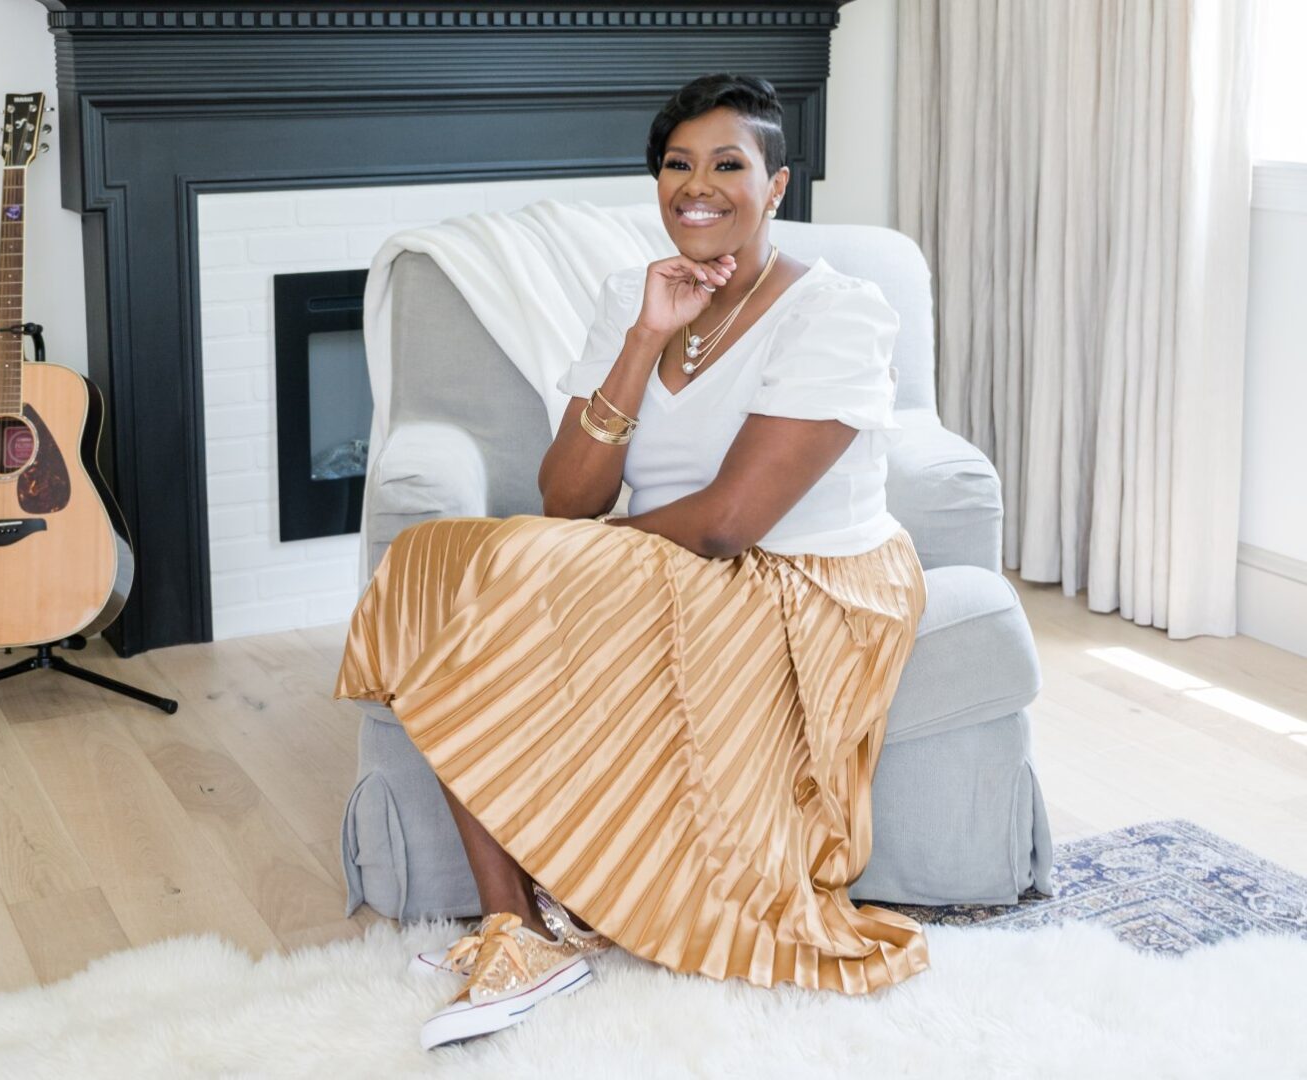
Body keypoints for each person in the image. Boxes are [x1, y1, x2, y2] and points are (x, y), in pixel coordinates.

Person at [334, 72, 930, 1051]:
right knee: (433, 562)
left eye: (727, 164)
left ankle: (532, 927)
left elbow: (734, 519)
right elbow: (566, 492)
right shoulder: (633, 293)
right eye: (676, 165)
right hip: (663, 563)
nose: (698, 186)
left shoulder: (840, 311)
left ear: (776, 185)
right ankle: (514, 925)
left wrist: (560, 554)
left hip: (802, 582)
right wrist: (643, 338)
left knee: (502, 572)